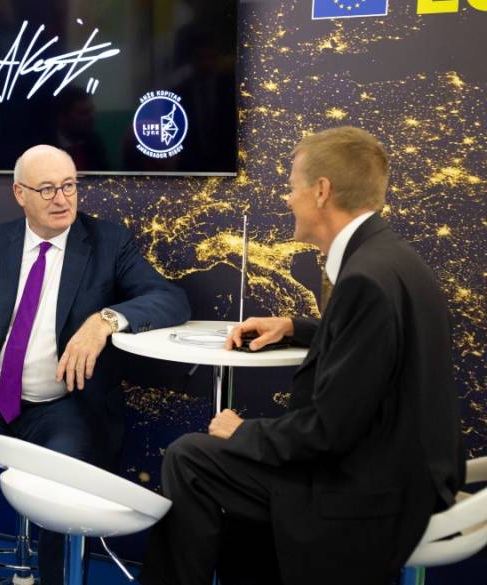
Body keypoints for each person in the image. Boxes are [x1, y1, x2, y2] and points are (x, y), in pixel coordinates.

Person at [139, 126, 464, 585]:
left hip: (373, 492)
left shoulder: (363, 280)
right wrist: (295, 327)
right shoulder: (389, 258)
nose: (288, 199)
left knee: (191, 457)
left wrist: (243, 432)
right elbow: (374, 344)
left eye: (292, 186)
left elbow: (329, 430)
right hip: (407, 470)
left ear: (322, 191)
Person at [0, 144, 191, 585]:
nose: (62, 199)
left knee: (58, 491)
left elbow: (170, 298)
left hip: (64, 405)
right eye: (47, 189)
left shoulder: (107, 242)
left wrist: (105, 320)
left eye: (69, 186)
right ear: (20, 194)